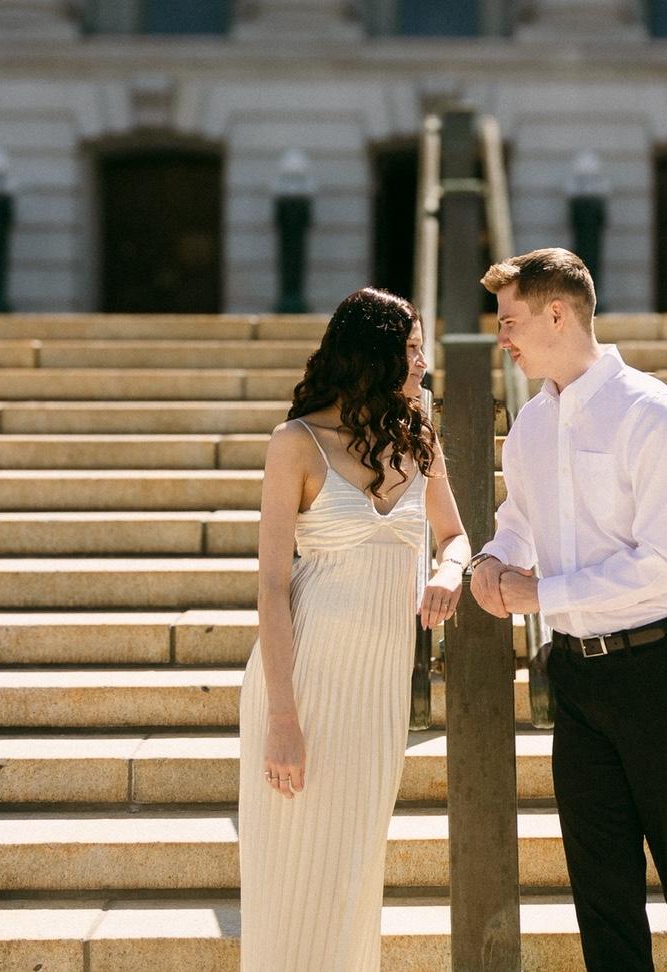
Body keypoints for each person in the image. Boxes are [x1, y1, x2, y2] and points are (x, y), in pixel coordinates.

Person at [469, 249, 667, 972]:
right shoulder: (531, 423)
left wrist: (539, 595)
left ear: (557, 314)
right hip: (577, 682)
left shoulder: (648, 411)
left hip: (658, 671)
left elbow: (664, 562)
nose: (501, 337)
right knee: (601, 892)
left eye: (510, 320)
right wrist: (492, 559)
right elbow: (520, 521)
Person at [238, 287, 469, 972]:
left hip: (377, 689)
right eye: (411, 350)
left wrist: (449, 572)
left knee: (353, 872)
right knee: (290, 879)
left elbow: (455, 536)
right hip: (303, 682)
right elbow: (272, 586)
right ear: (372, 355)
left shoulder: (419, 434)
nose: (423, 363)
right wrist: (283, 719)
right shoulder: (295, 444)